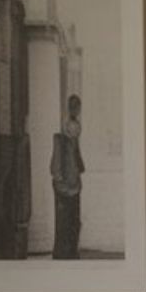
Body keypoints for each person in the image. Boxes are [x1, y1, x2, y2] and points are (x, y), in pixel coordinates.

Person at [50, 94, 85, 260]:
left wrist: (76, 179)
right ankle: (64, 254)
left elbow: (77, 162)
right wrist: (61, 184)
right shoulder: (61, 139)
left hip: (73, 186)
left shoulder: (73, 138)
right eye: (74, 106)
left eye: (77, 107)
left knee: (73, 223)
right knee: (64, 224)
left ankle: (71, 252)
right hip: (64, 188)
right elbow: (56, 168)